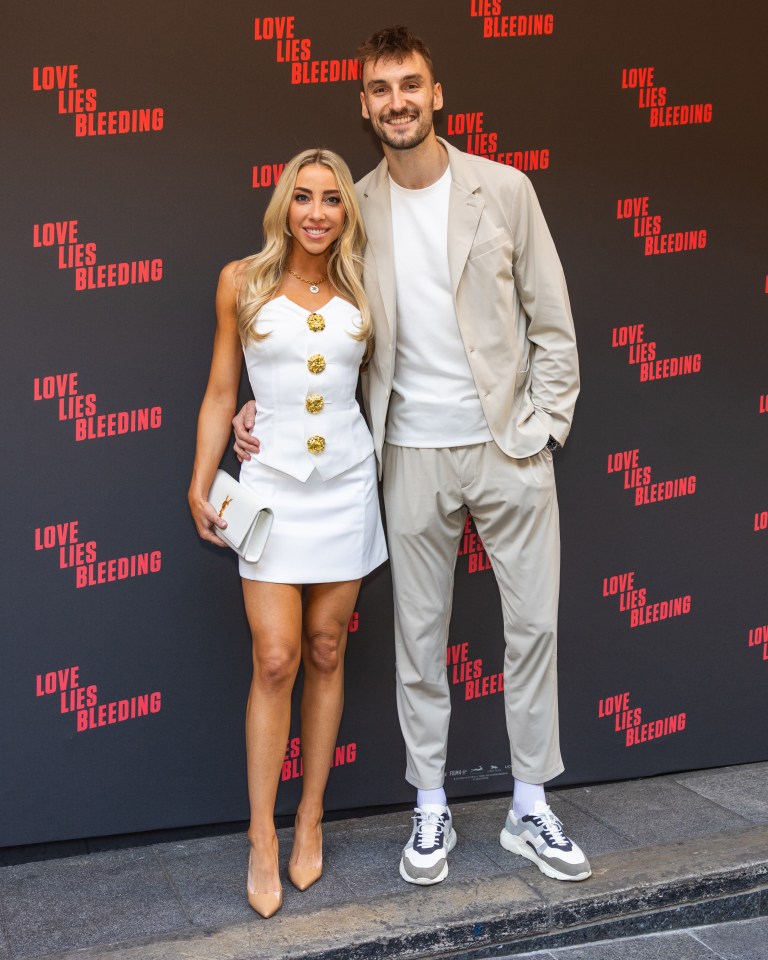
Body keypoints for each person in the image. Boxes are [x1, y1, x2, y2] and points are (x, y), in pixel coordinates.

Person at [234, 26, 590, 887]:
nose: (396, 101)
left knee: (534, 628)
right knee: (418, 641)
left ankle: (530, 806)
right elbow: (316, 325)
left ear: (436, 96)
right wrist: (264, 407)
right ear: (363, 106)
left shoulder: (504, 190)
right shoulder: (353, 210)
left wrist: (545, 430)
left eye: (410, 85)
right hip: (407, 452)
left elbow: (554, 322)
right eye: (380, 89)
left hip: (508, 448)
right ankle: (430, 810)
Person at [188, 148, 387, 918]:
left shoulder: (369, 286)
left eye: (331, 199)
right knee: (275, 659)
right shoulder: (242, 281)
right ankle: (262, 834)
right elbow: (218, 392)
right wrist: (201, 480)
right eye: (302, 197)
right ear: (283, 204)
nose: (316, 212)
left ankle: (311, 817)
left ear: (346, 212)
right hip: (269, 490)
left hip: (345, 489)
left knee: (327, 649)